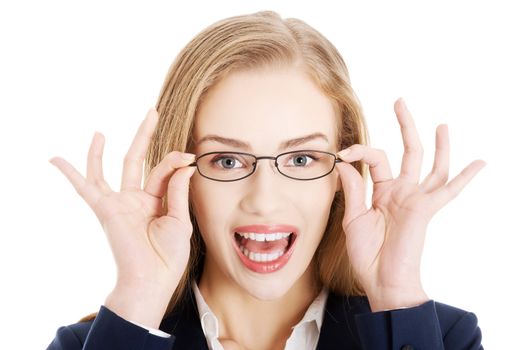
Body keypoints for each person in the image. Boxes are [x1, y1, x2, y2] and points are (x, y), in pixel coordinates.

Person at [46, 10, 485, 350]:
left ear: (343, 174)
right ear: (180, 177)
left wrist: (397, 293)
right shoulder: (95, 343)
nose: (264, 200)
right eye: (228, 161)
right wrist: (139, 295)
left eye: (300, 158)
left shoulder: (441, 337)